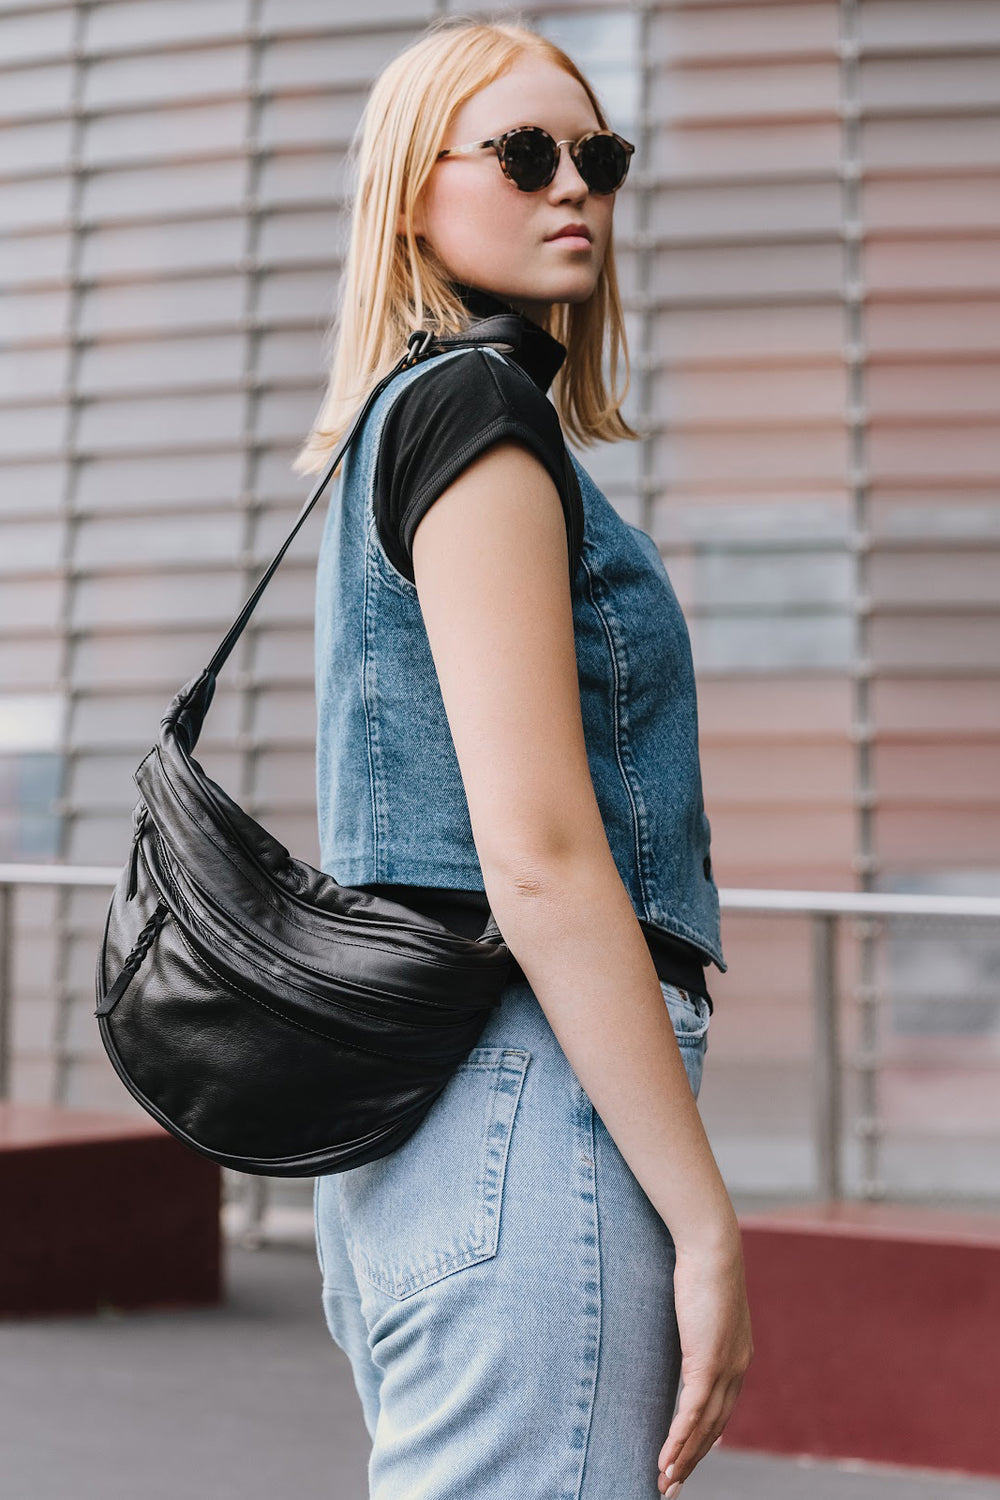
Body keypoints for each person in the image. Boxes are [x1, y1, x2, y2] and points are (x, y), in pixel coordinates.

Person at [295, 16, 753, 1500]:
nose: (576, 187)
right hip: (524, 1099)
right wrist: (706, 1222)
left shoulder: (415, 419)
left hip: (436, 1117)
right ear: (410, 190)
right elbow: (541, 859)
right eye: (526, 151)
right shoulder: (477, 419)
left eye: (599, 156)